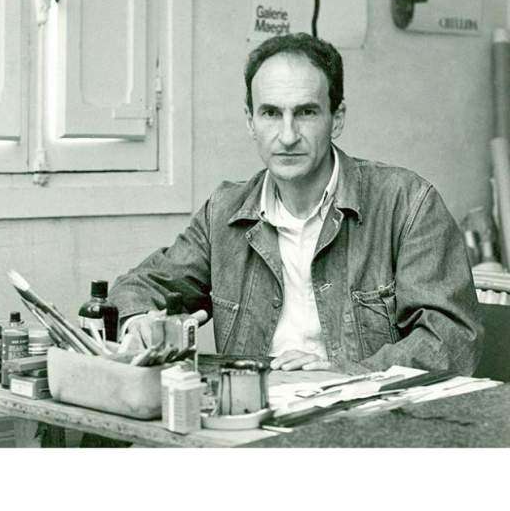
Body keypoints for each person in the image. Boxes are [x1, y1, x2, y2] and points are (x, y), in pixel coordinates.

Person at [108, 32, 483, 375]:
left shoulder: (407, 204)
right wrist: (139, 319)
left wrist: (344, 371)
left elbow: (450, 340)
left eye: (305, 112)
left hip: (366, 423)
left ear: (336, 119)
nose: (287, 136)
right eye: (271, 113)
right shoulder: (224, 211)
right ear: (250, 122)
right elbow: (138, 286)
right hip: (254, 419)